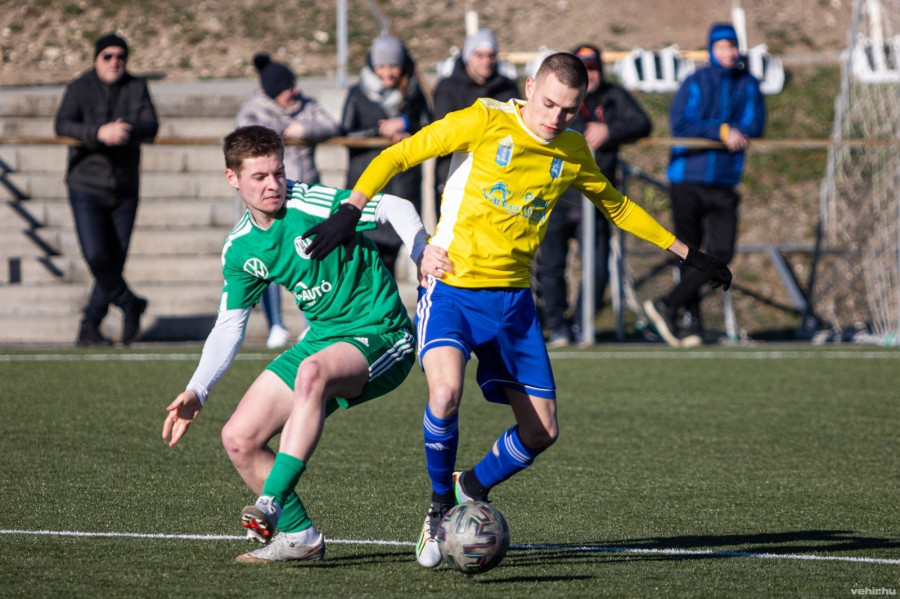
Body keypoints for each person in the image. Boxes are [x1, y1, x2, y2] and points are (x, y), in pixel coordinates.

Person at [301, 52, 733, 569]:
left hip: (514, 303)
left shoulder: (572, 151)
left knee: (542, 432)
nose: (555, 118)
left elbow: (616, 205)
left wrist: (689, 254)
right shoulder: (483, 120)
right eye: (548, 103)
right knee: (445, 391)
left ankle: (470, 485)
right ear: (530, 87)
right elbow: (398, 156)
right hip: (453, 289)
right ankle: (439, 508)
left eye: (569, 110)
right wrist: (352, 210)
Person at [161, 125, 429, 563]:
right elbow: (229, 326)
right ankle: (299, 536)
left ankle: (270, 502)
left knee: (311, 372)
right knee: (239, 438)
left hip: (383, 334)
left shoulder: (309, 201)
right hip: (325, 339)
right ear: (232, 179)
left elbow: (396, 206)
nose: (273, 185)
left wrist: (421, 253)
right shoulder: (241, 248)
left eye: (278, 173)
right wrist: (199, 388)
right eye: (259, 177)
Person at [643, 22, 765, 347]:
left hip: (724, 181)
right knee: (688, 252)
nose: (729, 52)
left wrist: (734, 131)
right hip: (687, 178)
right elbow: (682, 123)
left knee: (722, 250)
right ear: (712, 49)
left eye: (733, 46)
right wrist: (722, 131)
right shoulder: (695, 81)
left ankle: (667, 304)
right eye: (722, 47)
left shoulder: (749, 84)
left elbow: (756, 122)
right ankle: (692, 324)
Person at [537, 43, 653, 346]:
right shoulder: (559, 97)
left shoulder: (613, 97)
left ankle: (581, 324)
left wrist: (609, 131)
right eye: (584, 68)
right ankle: (557, 326)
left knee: (597, 268)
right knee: (551, 266)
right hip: (558, 194)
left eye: (595, 68)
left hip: (594, 196)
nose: (591, 74)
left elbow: (643, 123)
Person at [54, 32, 158, 346]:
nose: (115, 62)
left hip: (125, 187)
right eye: (108, 56)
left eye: (121, 56)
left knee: (115, 259)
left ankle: (89, 327)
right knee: (98, 256)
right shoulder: (79, 87)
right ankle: (129, 302)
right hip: (86, 185)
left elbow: (151, 123)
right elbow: (62, 125)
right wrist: (98, 133)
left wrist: (126, 130)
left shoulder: (137, 86)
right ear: (96, 59)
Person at [236, 53, 341, 348]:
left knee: (311, 260)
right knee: (269, 263)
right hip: (269, 202)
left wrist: (303, 131)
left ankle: (313, 323)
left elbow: (331, 126)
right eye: (287, 88)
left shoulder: (305, 105)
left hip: (306, 200)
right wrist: (283, 134)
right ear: (273, 91)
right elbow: (246, 140)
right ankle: (276, 326)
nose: (294, 91)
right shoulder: (253, 110)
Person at [341, 34, 430, 276]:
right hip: (367, 185)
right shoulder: (358, 93)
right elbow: (346, 131)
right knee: (365, 264)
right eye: (382, 66)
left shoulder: (413, 92)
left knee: (388, 261)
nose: (388, 72)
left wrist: (406, 123)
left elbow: (429, 124)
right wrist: (379, 131)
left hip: (403, 185)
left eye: (394, 66)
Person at [431, 28, 519, 215]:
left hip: (497, 181)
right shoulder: (448, 88)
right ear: (468, 56)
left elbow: (519, 127)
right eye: (480, 55)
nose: (486, 61)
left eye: (491, 55)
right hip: (454, 176)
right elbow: (445, 130)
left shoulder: (507, 88)